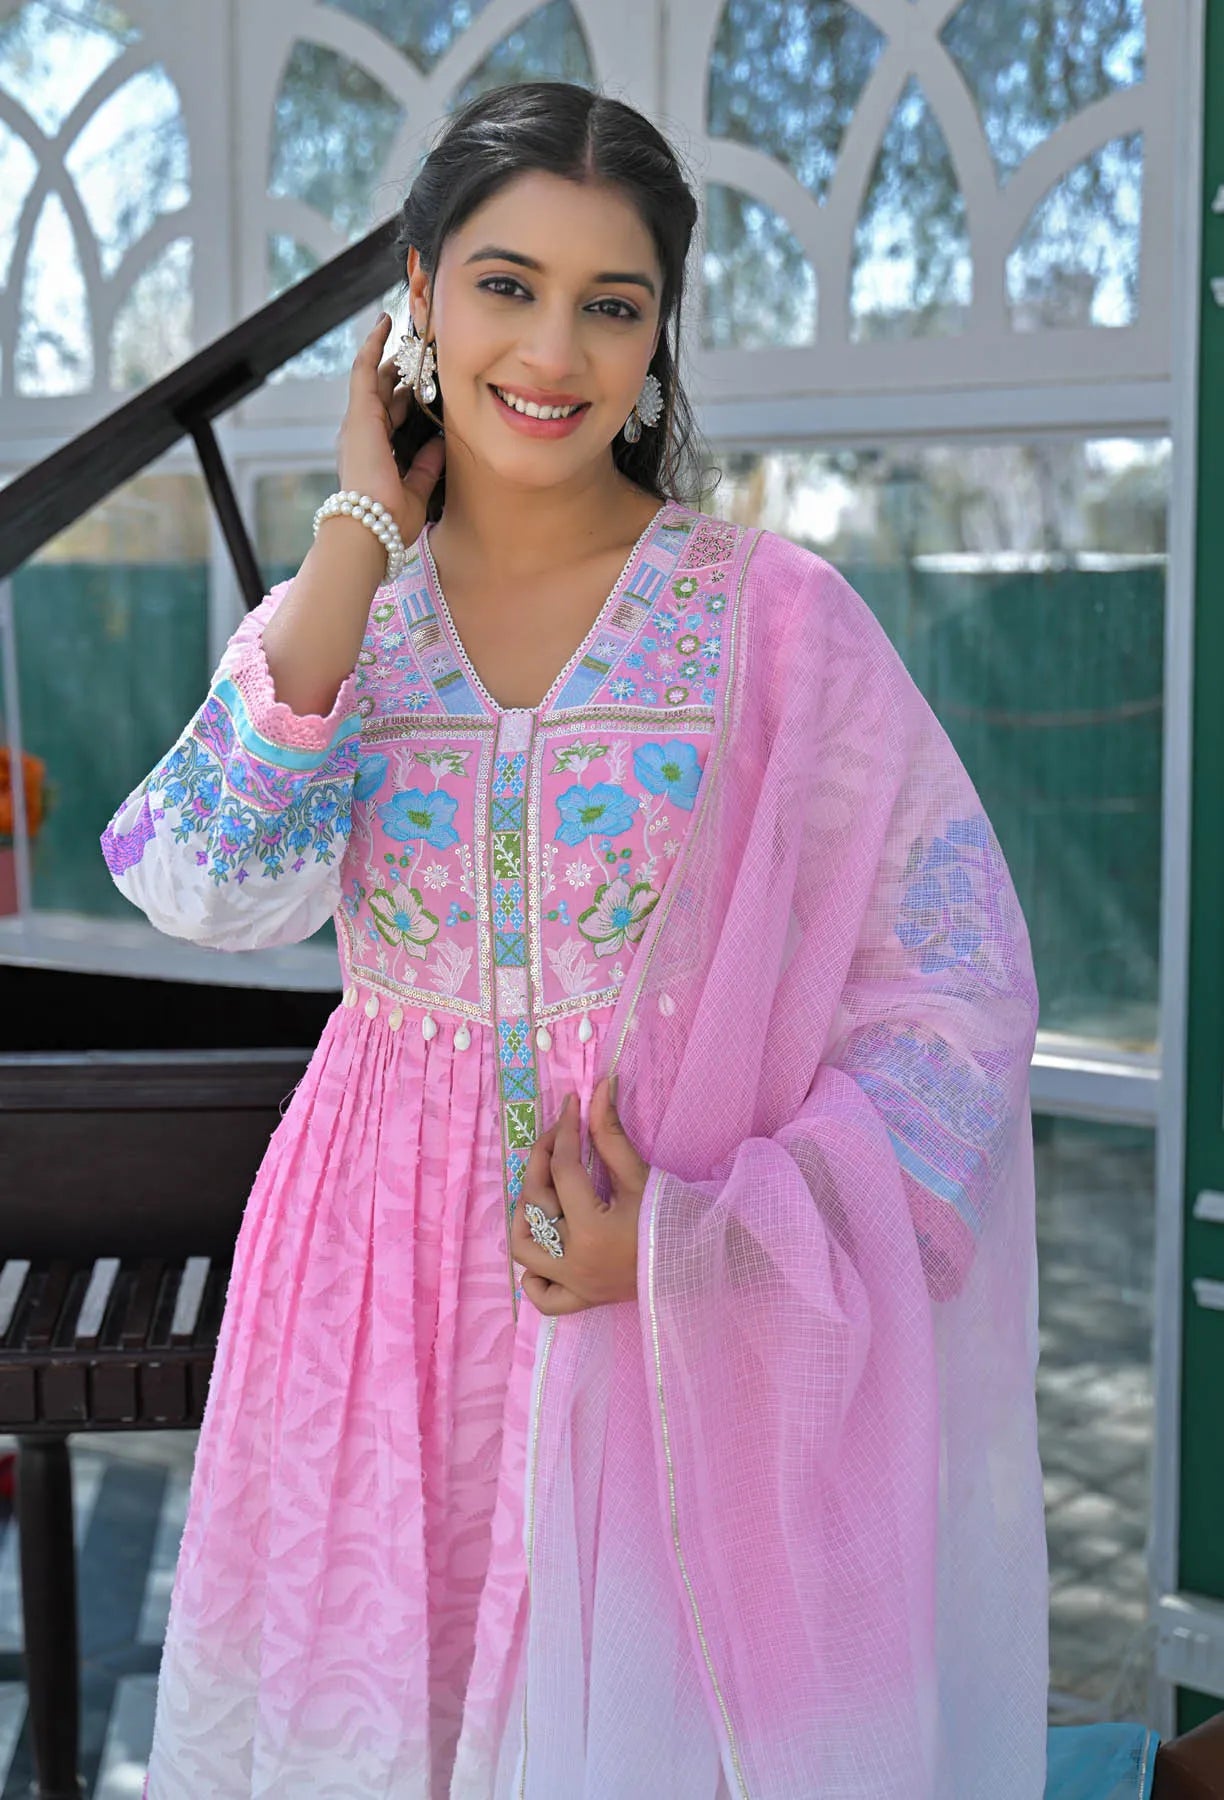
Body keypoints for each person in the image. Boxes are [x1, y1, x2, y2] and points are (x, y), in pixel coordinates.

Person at [103, 81, 1048, 1800]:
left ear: (660, 336)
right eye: (505, 284)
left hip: (643, 1303)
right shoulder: (351, 617)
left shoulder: (770, 619)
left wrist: (699, 1253)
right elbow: (199, 879)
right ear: (418, 294)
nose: (554, 348)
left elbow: (953, 987)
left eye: (612, 304)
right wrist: (349, 533)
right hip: (369, 1298)